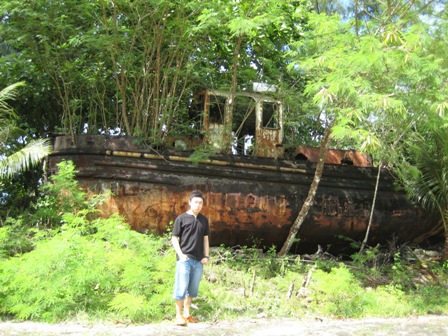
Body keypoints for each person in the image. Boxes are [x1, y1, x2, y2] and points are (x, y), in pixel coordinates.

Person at [171, 190, 210, 326]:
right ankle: (178, 316)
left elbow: (205, 239)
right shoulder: (181, 218)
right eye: (195, 202)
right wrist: (181, 255)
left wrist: (206, 256)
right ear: (190, 203)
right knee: (181, 287)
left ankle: (187, 314)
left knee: (192, 289)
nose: (198, 205)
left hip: (198, 260)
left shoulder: (203, 220)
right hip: (185, 260)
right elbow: (174, 238)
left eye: (200, 203)